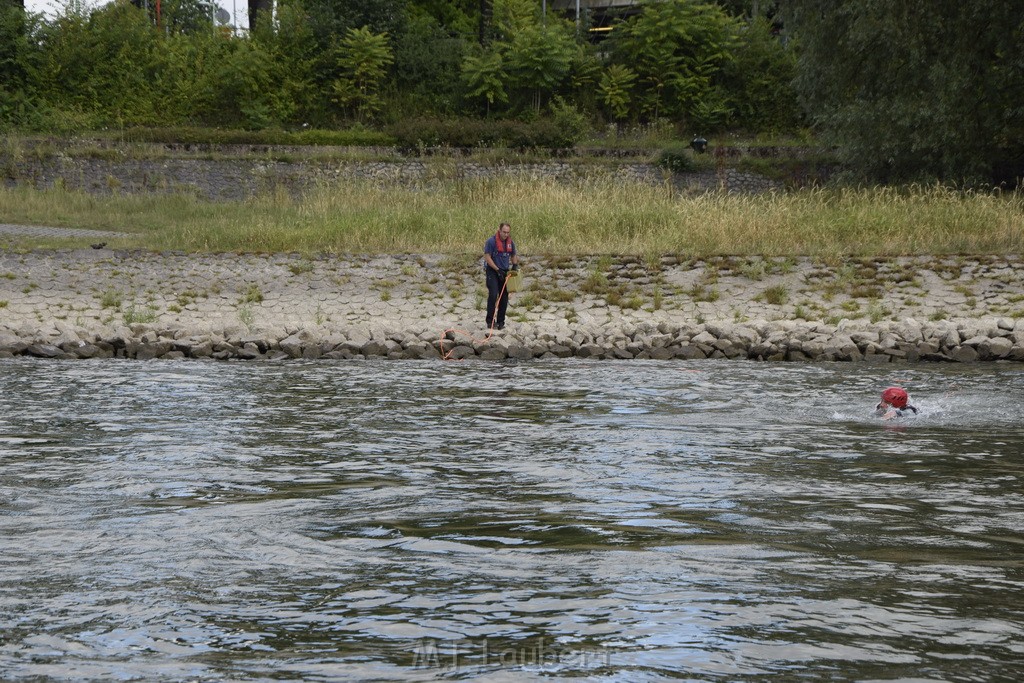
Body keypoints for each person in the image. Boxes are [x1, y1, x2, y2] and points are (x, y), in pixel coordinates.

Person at [483, 222, 519, 330]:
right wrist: (497, 269)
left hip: (504, 272)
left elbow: (513, 255)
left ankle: (501, 322)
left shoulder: (510, 243)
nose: (506, 235)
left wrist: (515, 265)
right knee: (493, 295)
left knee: (504, 298)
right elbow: (487, 257)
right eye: (504, 232)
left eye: (508, 233)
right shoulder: (491, 242)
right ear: (499, 230)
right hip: (493, 271)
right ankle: (490, 321)